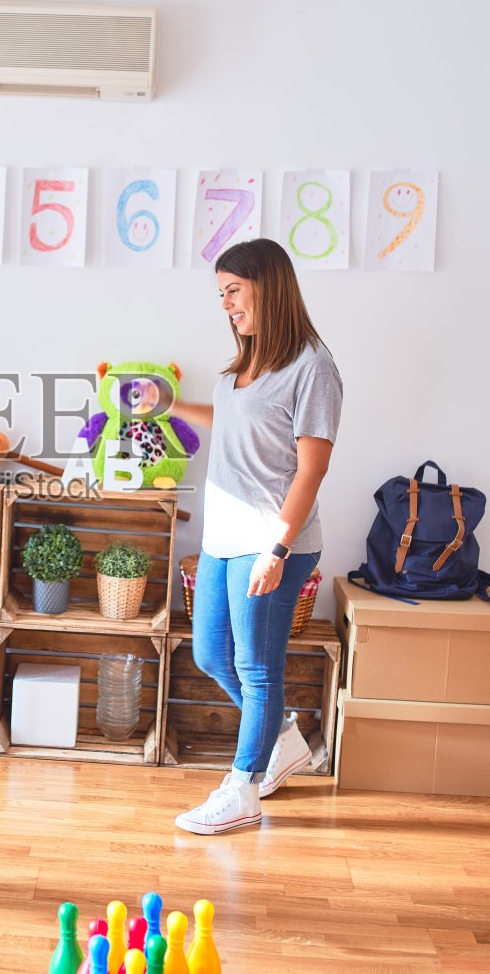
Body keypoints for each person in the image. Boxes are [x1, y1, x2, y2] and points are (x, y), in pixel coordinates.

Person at [170, 238, 343, 835]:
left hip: (272, 540)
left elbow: (312, 467)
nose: (226, 305)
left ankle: (243, 789)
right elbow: (238, 420)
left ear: (268, 287)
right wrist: (171, 404)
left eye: (234, 292)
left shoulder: (313, 367)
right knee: (210, 653)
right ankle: (285, 738)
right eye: (221, 294)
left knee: (259, 667)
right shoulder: (245, 365)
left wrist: (277, 547)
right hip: (224, 537)